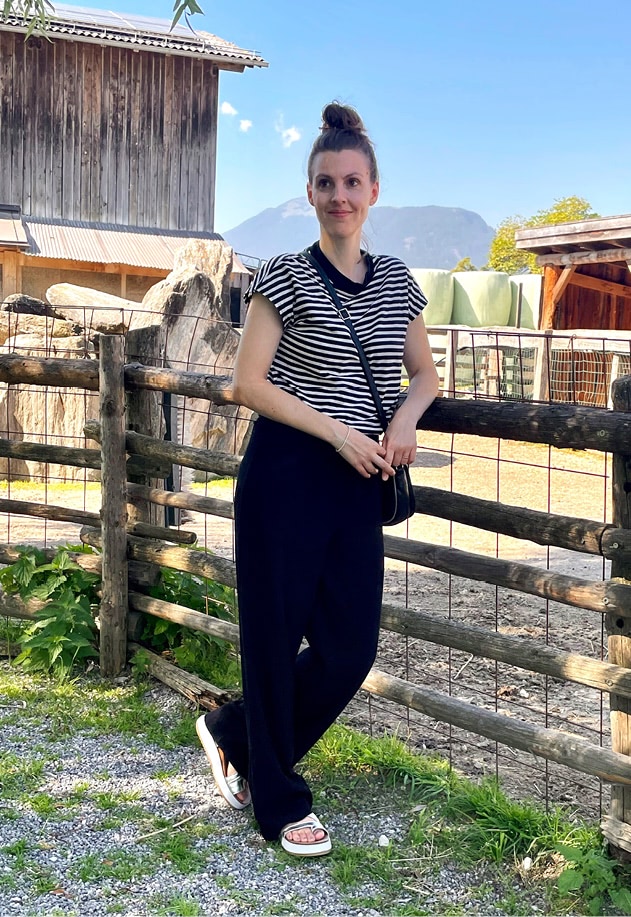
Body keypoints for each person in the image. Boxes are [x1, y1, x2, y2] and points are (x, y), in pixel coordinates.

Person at [196, 101, 439, 856]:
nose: (339, 196)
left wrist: (405, 421)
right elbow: (247, 383)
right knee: (272, 642)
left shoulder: (397, 280)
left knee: (348, 649)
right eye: (326, 183)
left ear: (373, 191)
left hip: (357, 485)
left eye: (352, 182)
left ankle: (235, 733)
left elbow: (425, 375)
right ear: (309, 193)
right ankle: (278, 800)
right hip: (286, 475)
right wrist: (338, 432)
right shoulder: (285, 276)